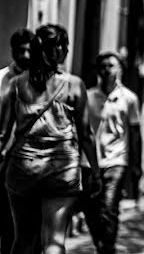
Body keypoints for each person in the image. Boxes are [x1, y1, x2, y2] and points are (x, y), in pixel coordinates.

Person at [0, 24, 100, 254]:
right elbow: (85, 133)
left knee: (23, 239)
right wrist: (95, 170)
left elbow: (3, 134)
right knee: (54, 241)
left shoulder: (16, 84)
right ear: (62, 49)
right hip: (62, 168)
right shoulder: (74, 85)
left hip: (23, 167)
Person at [79, 51, 142, 254]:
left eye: (111, 65)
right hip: (90, 162)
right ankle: (102, 244)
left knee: (108, 207)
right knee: (90, 208)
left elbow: (135, 132)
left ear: (120, 68)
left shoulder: (129, 99)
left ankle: (108, 247)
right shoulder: (88, 96)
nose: (107, 70)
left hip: (117, 160)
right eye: (103, 66)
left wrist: (136, 164)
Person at [0, 29, 34, 254]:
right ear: (12, 51)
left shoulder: (43, 81)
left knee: (22, 224)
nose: (26, 55)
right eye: (20, 50)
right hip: (2, 159)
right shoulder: (1, 78)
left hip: (29, 162)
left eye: (30, 50)